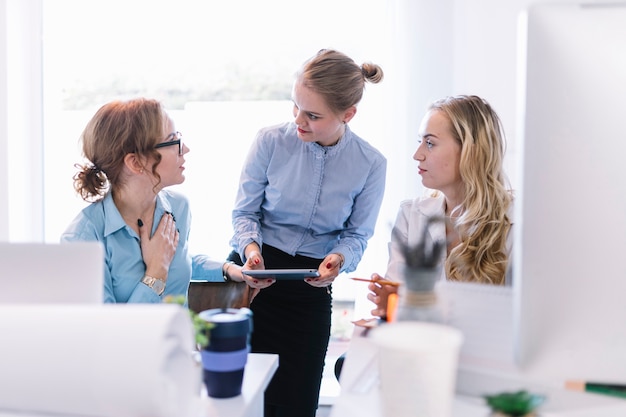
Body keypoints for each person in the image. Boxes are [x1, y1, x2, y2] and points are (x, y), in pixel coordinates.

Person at [229, 49, 387, 417]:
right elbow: (244, 212)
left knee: (297, 404)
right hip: (253, 283)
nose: (299, 120)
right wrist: (251, 249)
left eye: (313, 115)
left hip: (310, 289)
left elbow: (357, 234)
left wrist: (339, 259)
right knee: (240, 400)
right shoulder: (269, 141)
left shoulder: (371, 164)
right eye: (296, 107)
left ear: (347, 115)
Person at [61, 98, 257, 303]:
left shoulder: (178, 207)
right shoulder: (81, 239)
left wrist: (229, 269)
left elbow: (178, 258)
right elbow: (107, 331)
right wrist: (156, 273)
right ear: (136, 162)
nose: (186, 149)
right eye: (174, 141)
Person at [367, 94, 514, 318]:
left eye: (430, 143)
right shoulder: (411, 215)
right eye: (420, 142)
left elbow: (513, 317)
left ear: (470, 152)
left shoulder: (514, 220)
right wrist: (390, 303)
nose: (417, 155)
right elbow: (398, 302)